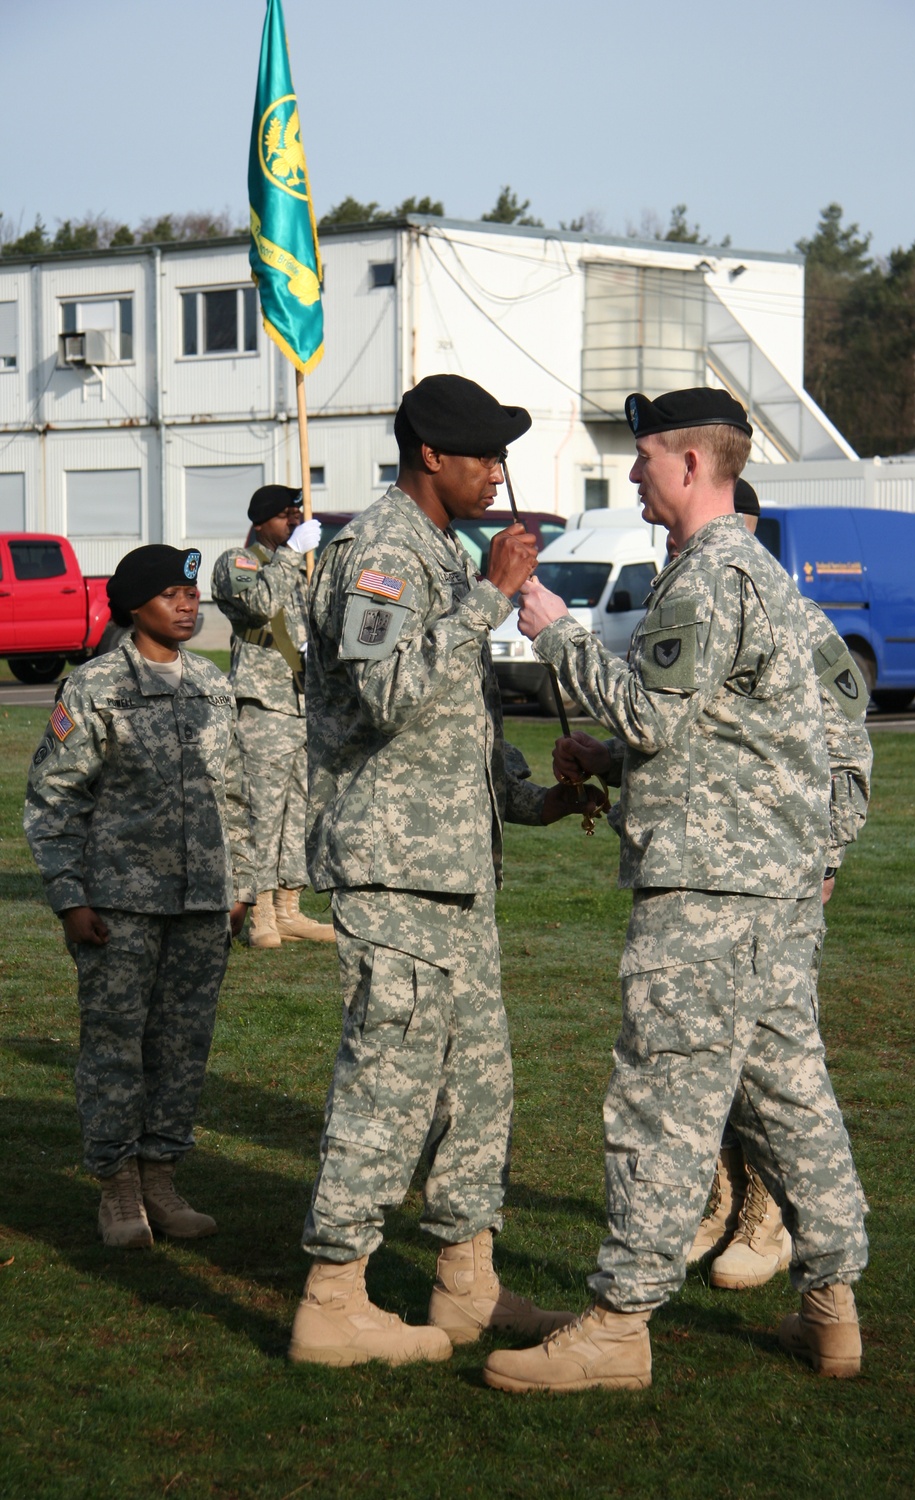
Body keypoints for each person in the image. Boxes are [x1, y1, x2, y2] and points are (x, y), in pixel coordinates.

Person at [484, 388, 869, 1393]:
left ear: (692, 464)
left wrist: (557, 632)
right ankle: (832, 1310)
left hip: (706, 896)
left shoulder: (706, 578)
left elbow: (658, 717)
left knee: (662, 1099)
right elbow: (743, 729)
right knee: (791, 1102)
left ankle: (619, 1324)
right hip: (772, 892)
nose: (636, 477)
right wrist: (607, 758)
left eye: (646, 458)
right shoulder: (764, 576)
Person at [289, 373, 600, 1368]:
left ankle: (467, 1286)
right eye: (484, 457)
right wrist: (488, 598)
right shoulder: (380, 553)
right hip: (394, 872)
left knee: (477, 1087)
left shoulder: (434, 551)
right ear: (430, 453)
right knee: (388, 1084)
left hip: (452, 871)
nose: (497, 477)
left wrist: (531, 796)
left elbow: (454, 724)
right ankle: (331, 1297)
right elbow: (384, 697)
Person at [24, 545, 255, 1248]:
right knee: (115, 1048)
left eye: (191, 595)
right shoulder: (96, 688)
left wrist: (239, 886)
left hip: (201, 906)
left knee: (182, 1047)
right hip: (118, 906)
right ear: (132, 607)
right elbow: (53, 800)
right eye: (169, 595)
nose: (187, 605)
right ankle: (118, 1190)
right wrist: (70, 897)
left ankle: (162, 1179)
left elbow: (237, 797)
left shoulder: (212, 687)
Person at [690, 479, 873, 1290]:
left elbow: (848, 749)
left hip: (780, 878)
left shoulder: (797, 620)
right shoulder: (693, 606)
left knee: (775, 1056)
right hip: (708, 876)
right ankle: (720, 1195)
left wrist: (826, 857)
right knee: (702, 1050)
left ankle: (770, 1212)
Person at [212, 484, 333, 948]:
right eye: (286, 516)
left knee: (299, 809)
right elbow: (259, 606)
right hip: (263, 704)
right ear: (261, 521)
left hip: (303, 702)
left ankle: (289, 906)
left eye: (298, 514)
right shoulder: (239, 563)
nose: (295, 523)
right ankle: (258, 907)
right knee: (261, 809)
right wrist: (289, 556)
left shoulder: (297, 569)